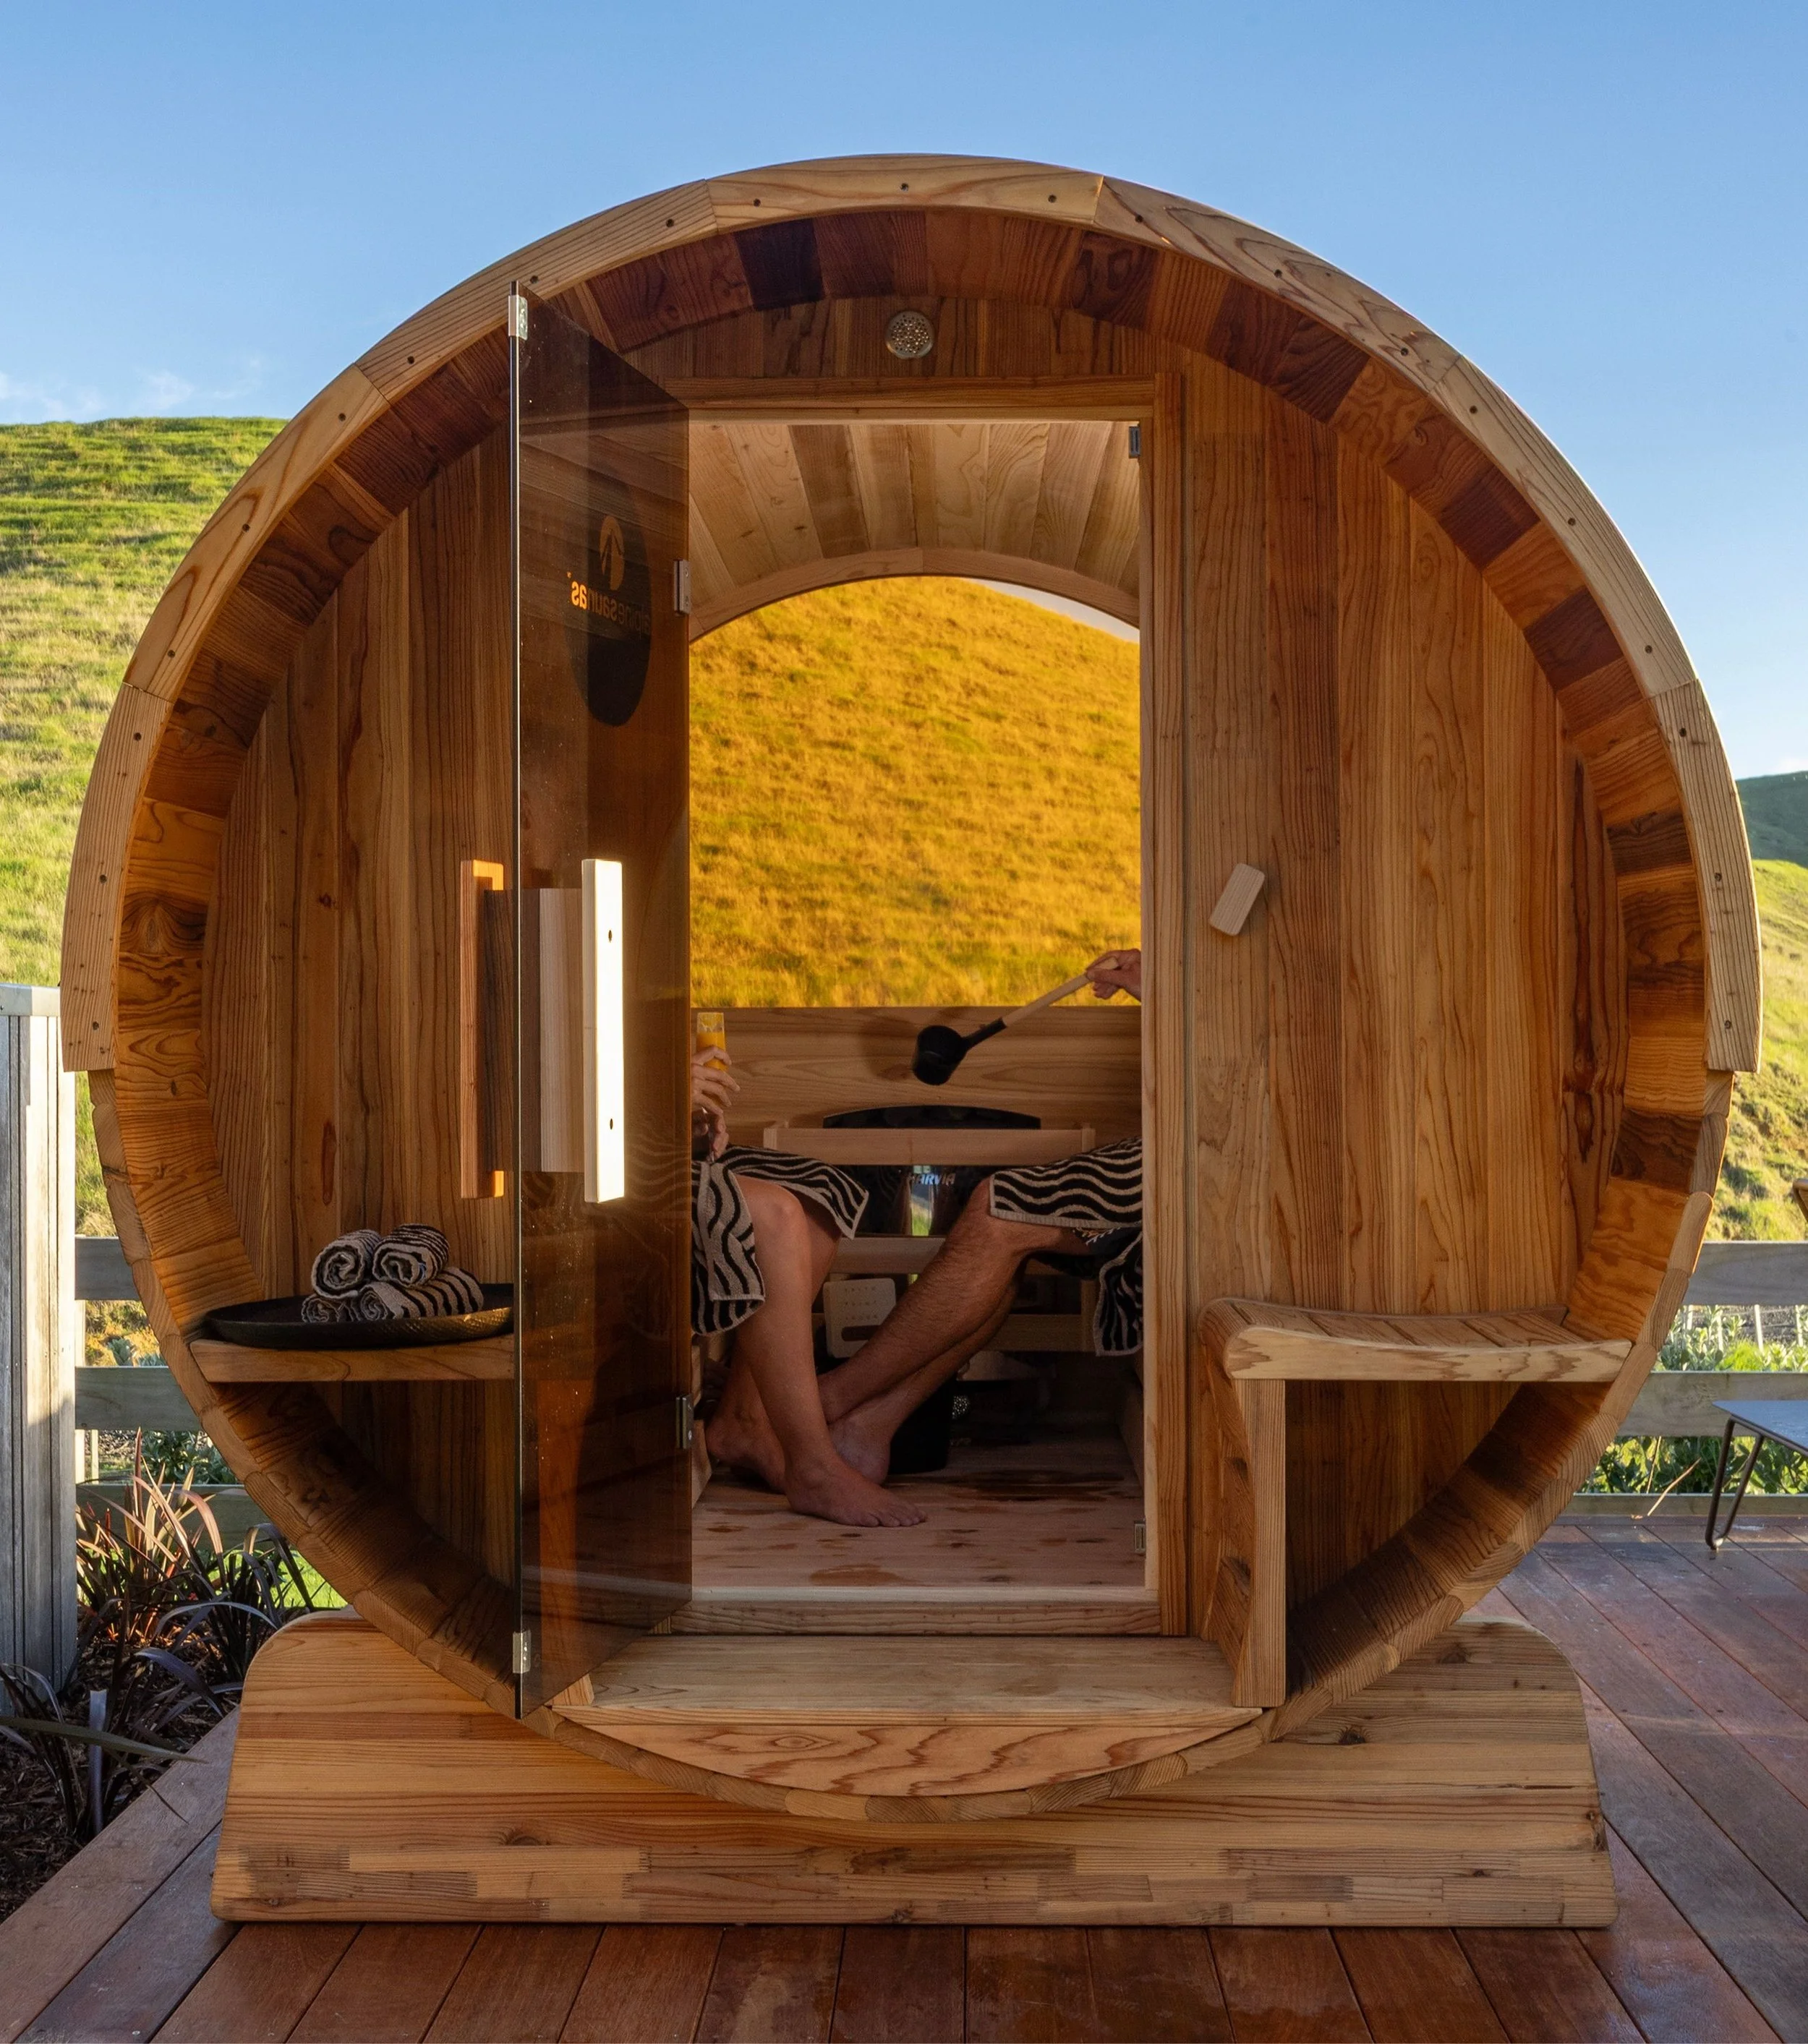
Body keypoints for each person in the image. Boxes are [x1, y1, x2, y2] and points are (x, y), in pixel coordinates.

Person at [814, 949, 1144, 1485]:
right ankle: (867, 1429)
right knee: (1006, 1236)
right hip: (1177, 1143)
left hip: (1195, 1161)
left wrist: (1162, 989)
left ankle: (827, 1403)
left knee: (999, 1206)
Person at [688, 1040, 926, 1528]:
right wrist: (657, 1097)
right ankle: (813, 1468)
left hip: (649, 1139)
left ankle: (745, 1417)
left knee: (817, 1195)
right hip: (606, 1161)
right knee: (774, 1215)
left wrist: (686, 1115)